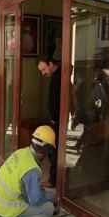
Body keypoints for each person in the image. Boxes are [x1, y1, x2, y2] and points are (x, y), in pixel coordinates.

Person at [0, 125, 58, 217]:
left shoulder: (21, 152)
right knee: (49, 208)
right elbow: (35, 200)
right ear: (47, 149)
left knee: (39, 194)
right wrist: (53, 197)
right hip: (4, 210)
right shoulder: (31, 170)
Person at [36, 54, 61, 188]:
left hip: (57, 120)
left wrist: (54, 118)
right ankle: (53, 179)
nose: (43, 72)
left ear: (51, 64)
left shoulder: (59, 77)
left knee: (54, 150)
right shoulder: (56, 76)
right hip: (55, 119)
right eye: (41, 71)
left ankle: (53, 181)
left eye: (44, 69)